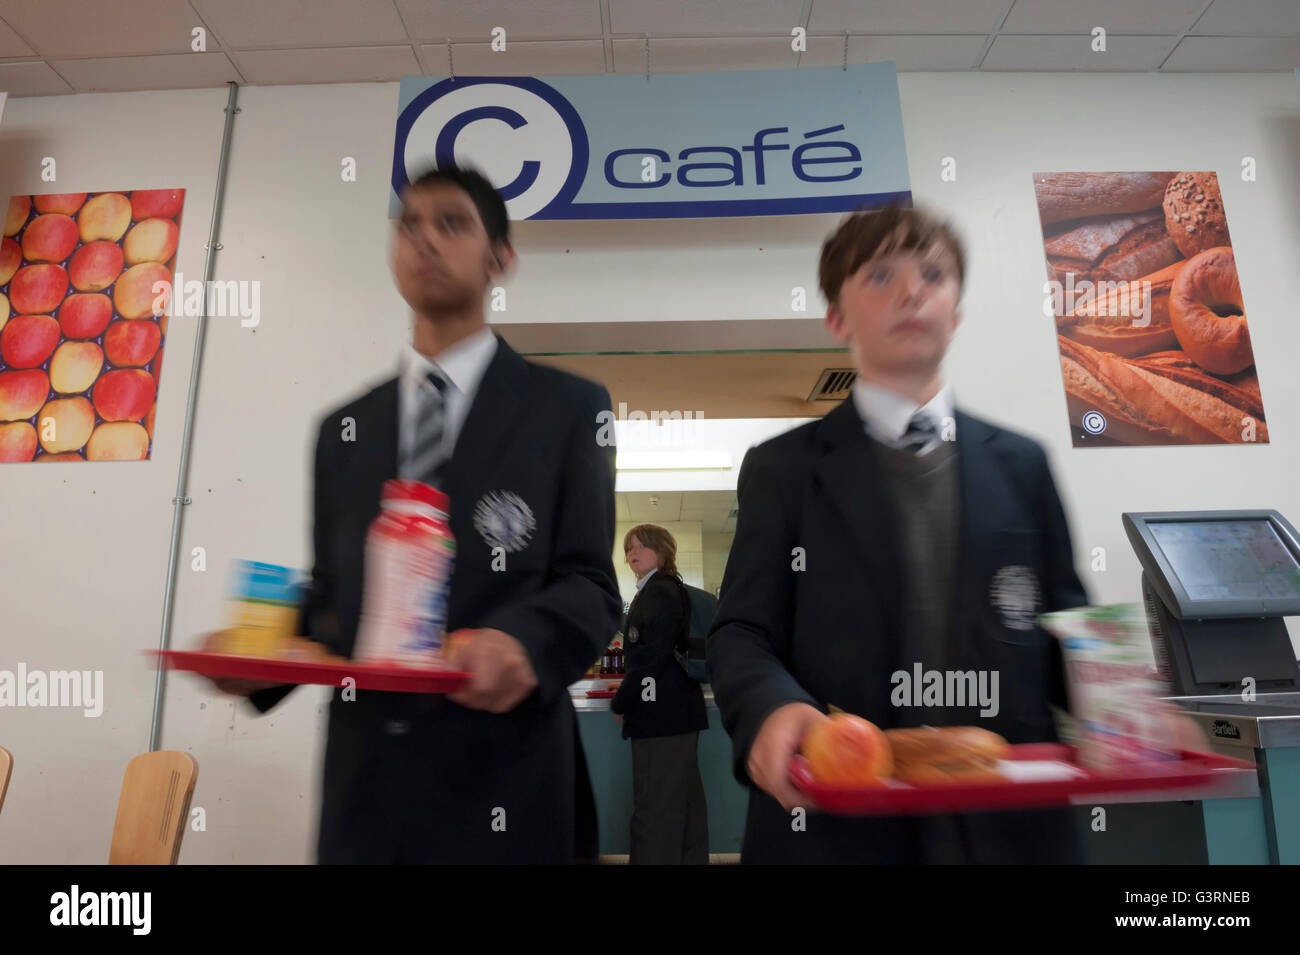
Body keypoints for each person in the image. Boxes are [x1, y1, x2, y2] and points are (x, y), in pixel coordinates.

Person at [207, 163, 621, 863]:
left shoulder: (570, 409)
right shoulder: (344, 429)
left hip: (508, 778)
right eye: (409, 224)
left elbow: (589, 582)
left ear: (500, 259)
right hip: (368, 787)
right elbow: (339, 601)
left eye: (451, 222)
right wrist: (264, 651)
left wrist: (521, 643)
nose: (423, 238)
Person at [708, 203, 1089, 864]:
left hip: (1007, 826)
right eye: (882, 275)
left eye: (933, 275)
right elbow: (743, 630)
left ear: (957, 311)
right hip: (837, 822)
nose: (912, 290)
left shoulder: (1024, 464)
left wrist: (1130, 698)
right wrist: (772, 706)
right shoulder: (783, 468)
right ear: (836, 318)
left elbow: (1065, 623)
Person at [610, 524, 709, 864]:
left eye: (640, 546)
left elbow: (649, 658)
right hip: (678, 713)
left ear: (662, 551)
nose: (631, 552)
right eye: (628, 547)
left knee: (654, 807)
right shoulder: (668, 590)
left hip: (660, 719)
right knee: (685, 802)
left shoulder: (657, 592)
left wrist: (622, 700)